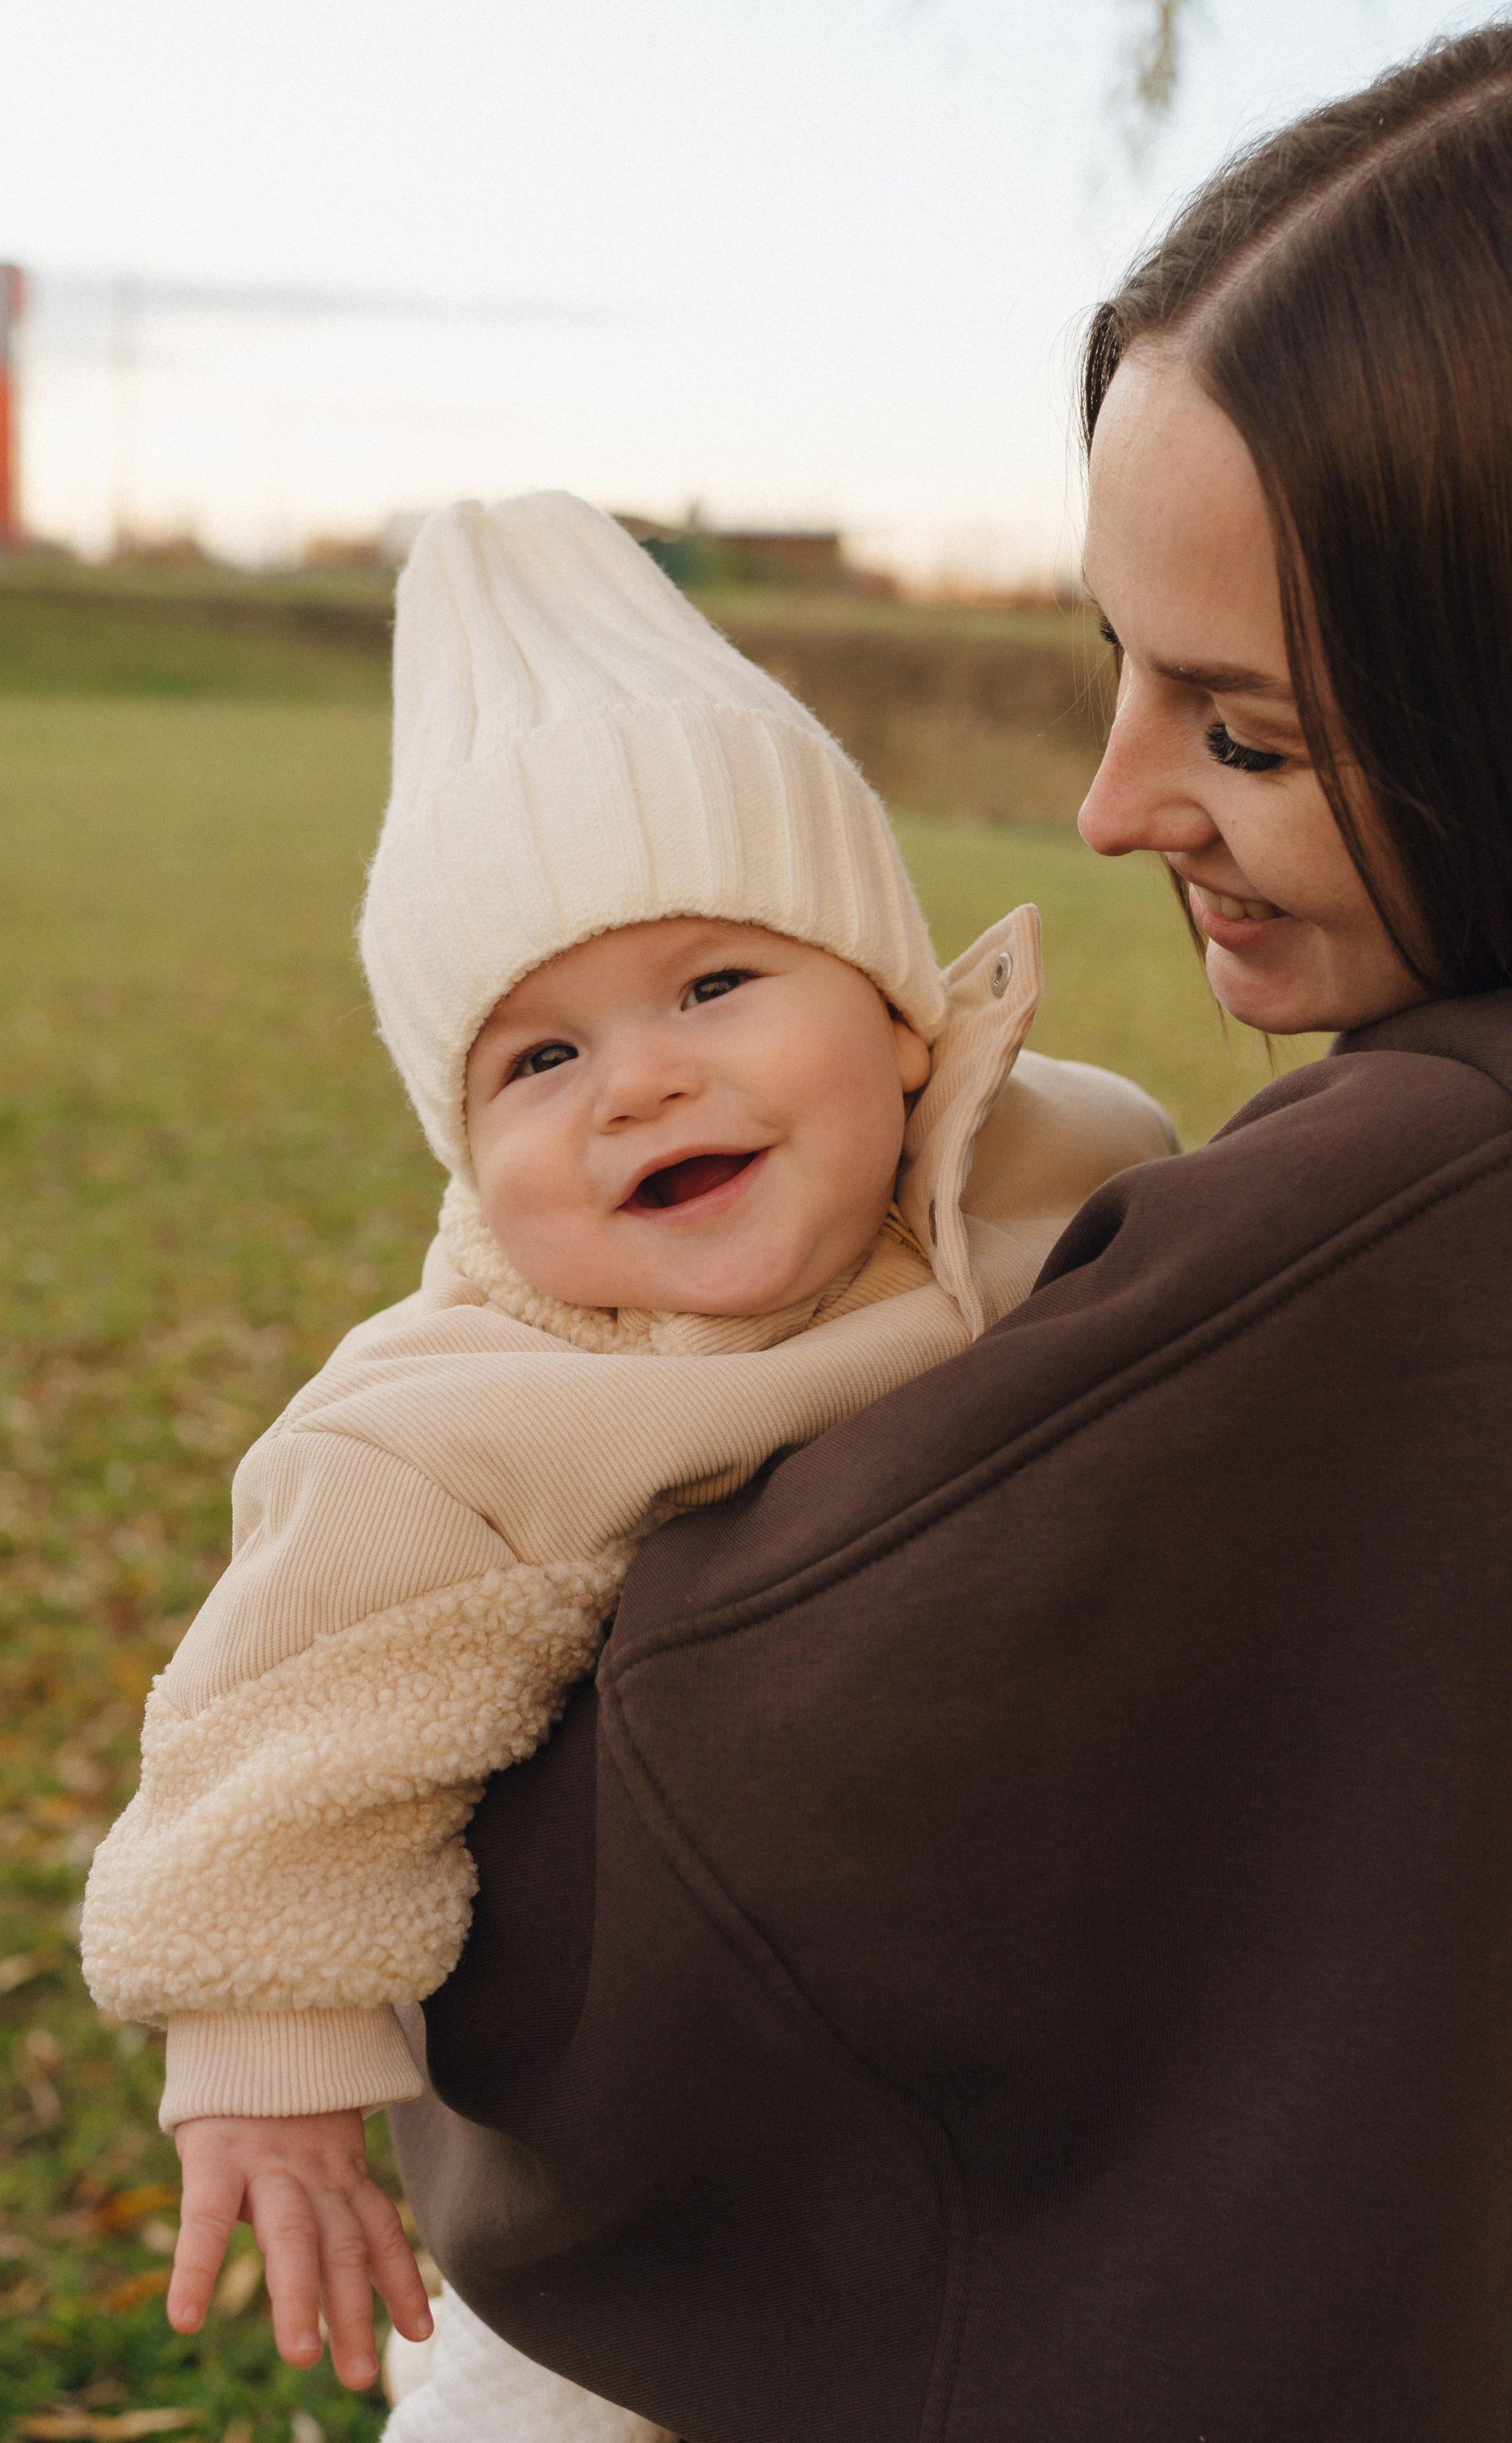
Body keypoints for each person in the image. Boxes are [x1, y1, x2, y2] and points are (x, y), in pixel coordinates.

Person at [384, 25, 1512, 2442]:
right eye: (1118, 665)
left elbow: (644, 1921)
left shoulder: (1406, 1215)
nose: (1111, 805)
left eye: (1253, 733)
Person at [76, 491, 1172, 2415]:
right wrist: (270, 2056)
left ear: (907, 1019)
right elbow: (284, 1730)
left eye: (716, 984)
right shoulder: (454, 1420)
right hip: (644, 2186)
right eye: (540, 1061)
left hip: (1010, 2077)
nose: (641, 1080)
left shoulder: (1075, 1160)